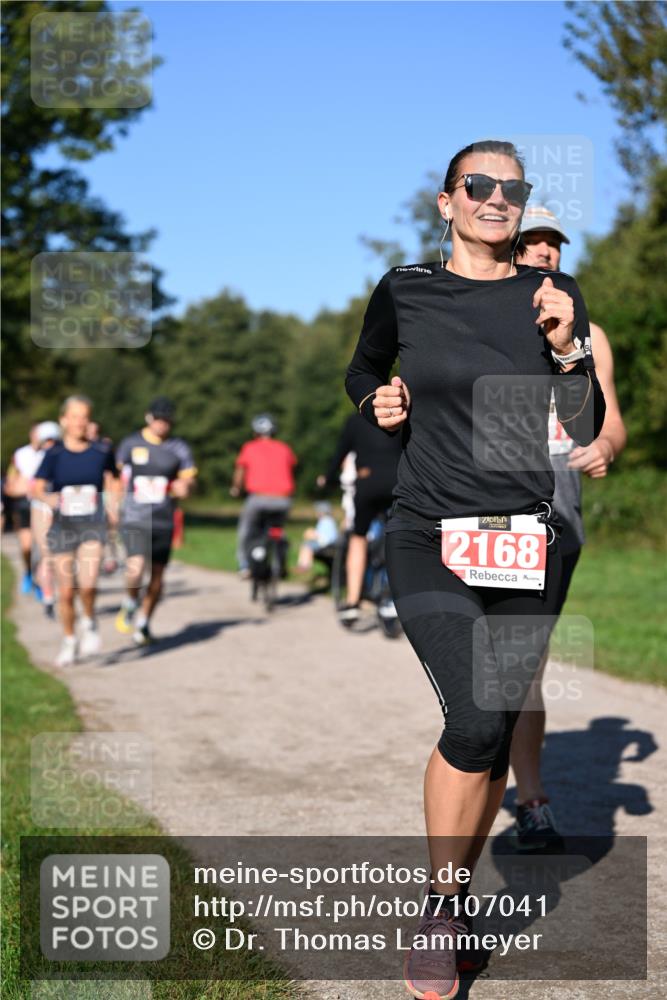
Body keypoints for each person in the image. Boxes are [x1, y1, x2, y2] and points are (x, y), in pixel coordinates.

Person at [345, 140, 606, 999]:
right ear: (446, 199)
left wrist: (565, 350)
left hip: (524, 540)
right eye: (479, 184)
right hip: (427, 531)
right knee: (475, 715)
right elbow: (363, 366)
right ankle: (439, 909)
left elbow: (580, 425)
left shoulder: (552, 293)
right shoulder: (406, 288)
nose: (497, 198)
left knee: (492, 730)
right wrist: (375, 400)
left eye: (512, 188)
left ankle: (450, 902)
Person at [509, 206, 627, 849]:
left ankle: (530, 801)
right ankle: (476, 772)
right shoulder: (482, 324)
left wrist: (604, 445)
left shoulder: (590, 334)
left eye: (553, 243)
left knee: (525, 660)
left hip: (559, 515)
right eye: (531, 241)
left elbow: (612, 423)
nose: (545, 251)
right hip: (488, 512)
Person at [33, 397, 120, 667]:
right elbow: (36, 487)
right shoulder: (54, 454)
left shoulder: (101, 451)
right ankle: (69, 640)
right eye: (75, 416)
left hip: (92, 524)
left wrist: (113, 504)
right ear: (64, 420)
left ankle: (90, 620)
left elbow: (113, 479)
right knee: (66, 592)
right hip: (63, 526)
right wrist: (48, 499)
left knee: (88, 583)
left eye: (85, 417)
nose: (80, 422)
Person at [115, 398, 197, 645]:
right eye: (158, 419)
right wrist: (113, 505)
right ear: (148, 417)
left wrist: (186, 487)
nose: (162, 425)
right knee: (136, 566)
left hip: (163, 518)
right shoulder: (131, 444)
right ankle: (131, 601)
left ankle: (143, 624)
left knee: (158, 576)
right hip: (135, 516)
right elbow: (116, 476)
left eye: (167, 421)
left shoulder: (179, 448)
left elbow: (189, 480)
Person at [317, 411, 401, 626]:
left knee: (358, 537)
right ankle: (393, 598)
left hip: (368, 482)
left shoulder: (356, 420)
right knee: (399, 537)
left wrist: (328, 478)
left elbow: (341, 451)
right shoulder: (402, 415)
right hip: (399, 483)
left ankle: (353, 602)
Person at [231, 414, 297, 578]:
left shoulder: (249, 447)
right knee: (278, 529)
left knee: (246, 530)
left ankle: (244, 565)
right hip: (283, 499)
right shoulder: (285, 448)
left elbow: (240, 472)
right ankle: (280, 560)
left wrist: (236, 488)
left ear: (255, 432)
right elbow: (292, 467)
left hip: (258, 499)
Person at [5, 424, 44, 595]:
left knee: (42, 549)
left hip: (43, 505)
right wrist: (20, 489)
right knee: (27, 547)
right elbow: (10, 485)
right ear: (31, 435)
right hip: (24, 505)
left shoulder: (50, 453)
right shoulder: (20, 454)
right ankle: (28, 572)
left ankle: (42, 584)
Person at [30, 421, 63, 617]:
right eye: (47, 440)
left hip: (62, 508)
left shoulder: (62, 455)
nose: (50, 444)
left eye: (53, 440)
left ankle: (63, 594)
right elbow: (33, 489)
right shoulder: (34, 458)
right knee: (47, 555)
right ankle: (48, 597)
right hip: (41, 508)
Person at [295, 501, 340, 573]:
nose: (316, 513)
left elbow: (327, 538)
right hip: (326, 544)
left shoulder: (326, 521)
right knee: (306, 545)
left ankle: (305, 565)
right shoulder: (326, 521)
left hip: (328, 545)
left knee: (307, 546)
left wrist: (313, 535)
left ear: (321, 512)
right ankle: (303, 564)